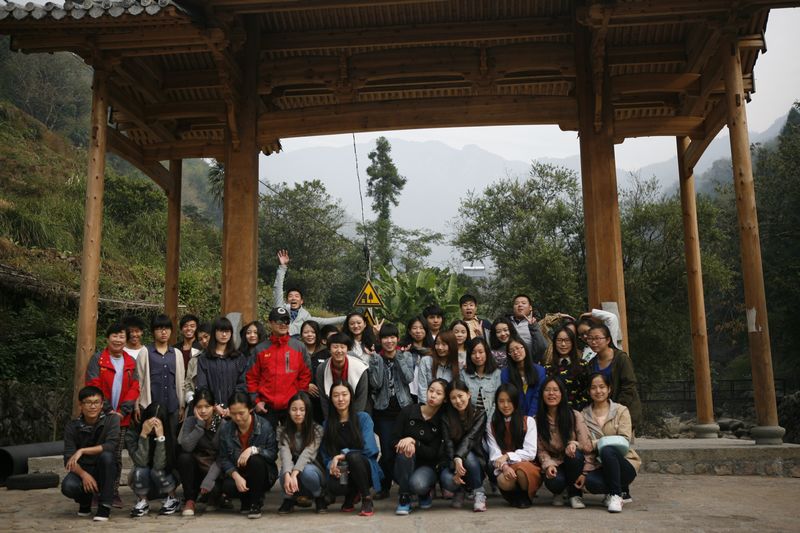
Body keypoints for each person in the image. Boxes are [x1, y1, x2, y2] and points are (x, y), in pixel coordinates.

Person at [84, 322, 140, 508]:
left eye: (121, 336)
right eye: (114, 336)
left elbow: (135, 387)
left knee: (116, 456)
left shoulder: (131, 361)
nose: (118, 339)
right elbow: (94, 385)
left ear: (126, 339)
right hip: (98, 416)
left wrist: (122, 411)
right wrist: (108, 410)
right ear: (107, 338)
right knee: (97, 455)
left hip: (121, 418)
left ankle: (112, 492)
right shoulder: (98, 359)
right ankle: (95, 492)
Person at [367, 322, 415, 498]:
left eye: (392, 337)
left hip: (404, 409)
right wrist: (375, 360)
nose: (389, 341)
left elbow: (408, 378)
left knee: (404, 450)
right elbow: (376, 383)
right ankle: (385, 487)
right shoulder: (376, 358)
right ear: (380, 340)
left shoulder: (406, 356)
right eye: (385, 338)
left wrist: (399, 358)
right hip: (383, 412)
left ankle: (405, 486)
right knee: (387, 452)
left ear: (397, 338)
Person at [321, 380, 382, 517]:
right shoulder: (327, 424)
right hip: (343, 469)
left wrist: (343, 455)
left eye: (344, 394)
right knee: (336, 486)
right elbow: (325, 455)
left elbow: (370, 449)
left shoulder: (363, 418)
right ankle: (351, 493)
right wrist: (332, 466)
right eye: (336, 395)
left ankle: (366, 498)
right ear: (331, 399)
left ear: (351, 396)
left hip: (364, 466)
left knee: (353, 457)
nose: (340, 399)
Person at [582, 372, 641, 513]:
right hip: (599, 465)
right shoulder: (584, 414)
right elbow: (584, 442)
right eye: (593, 388)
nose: (598, 391)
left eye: (602, 387)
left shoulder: (621, 411)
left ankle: (616, 495)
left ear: (609, 389)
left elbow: (624, 439)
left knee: (608, 450)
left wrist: (596, 444)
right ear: (589, 391)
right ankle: (615, 491)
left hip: (625, 463)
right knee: (591, 482)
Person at [246, 307, 312, 429]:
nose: (283, 324)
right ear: (270, 323)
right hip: (266, 407)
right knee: (266, 439)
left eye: (286, 321)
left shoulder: (299, 347)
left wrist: (300, 399)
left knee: (293, 439)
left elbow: (305, 375)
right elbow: (251, 378)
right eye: (279, 321)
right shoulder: (260, 349)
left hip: (292, 406)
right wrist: (256, 401)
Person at [61, 386, 120, 522]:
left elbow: (110, 445)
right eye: (88, 402)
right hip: (83, 468)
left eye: (96, 402)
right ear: (81, 405)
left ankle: (104, 507)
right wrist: (84, 475)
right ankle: (85, 502)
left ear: (102, 404)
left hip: (105, 468)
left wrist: (82, 450)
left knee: (107, 456)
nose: (92, 406)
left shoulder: (112, 420)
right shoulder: (72, 426)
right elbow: (69, 458)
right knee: (68, 486)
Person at [218, 391, 279, 519]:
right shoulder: (226, 429)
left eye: (241, 413)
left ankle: (255, 503)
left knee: (255, 460)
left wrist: (253, 449)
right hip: (239, 472)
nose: (237, 418)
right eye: (233, 413)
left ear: (250, 409)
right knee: (227, 486)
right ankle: (245, 500)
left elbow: (273, 454)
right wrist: (235, 476)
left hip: (263, 475)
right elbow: (223, 458)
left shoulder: (264, 426)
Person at [392, 378, 447, 515]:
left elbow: (433, 453)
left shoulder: (441, 421)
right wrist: (405, 443)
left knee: (418, 484)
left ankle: (424, 493)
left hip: (427, 467)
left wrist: (414, 442)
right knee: (406, 449)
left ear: (445, 399)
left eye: (438, 393)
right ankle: (404, 497)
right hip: (403, 465)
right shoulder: (408, 411)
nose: (433, 395)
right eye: (431, 391)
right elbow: (392, 440)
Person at [536, 377, 592, 509]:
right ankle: (559, 492)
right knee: (555, 482)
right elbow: (540, 449)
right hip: (555, 462)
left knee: (574, 454)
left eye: (555, 390)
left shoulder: (574, 415)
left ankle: (575, 494)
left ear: (562, 393)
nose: (551, 393)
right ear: (542, 394)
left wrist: (574, 444)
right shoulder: (537, 420)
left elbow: (587, 445)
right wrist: (548, 465)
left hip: (573, 462)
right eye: (547, 390)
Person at [485, 383, 542, 508]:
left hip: (527, 465)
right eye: (501, 401)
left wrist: (507, 456)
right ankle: (514, 497)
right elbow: (494, 453)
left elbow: (530, 452)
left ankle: (526, 496)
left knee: (521, 471)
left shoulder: (528, 421)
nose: (505, 405)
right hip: (505, 466)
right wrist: (505, 467)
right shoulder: (492, 425)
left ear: (516, 401)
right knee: (504, 480)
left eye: (509, 401)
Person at [273, 249, 346, 336]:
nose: (293, 298)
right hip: (278, 341)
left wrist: (349, 317)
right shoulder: (280, 309)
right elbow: (278, 288)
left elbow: (326, 321)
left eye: (297, 296)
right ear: (287, 300)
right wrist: (282, 267)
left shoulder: (306, 316)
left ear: (301, 301)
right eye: (290, 296)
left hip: (296, 343)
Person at [135, 314, 185, 441]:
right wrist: (136, 405)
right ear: (153, 331)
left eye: (166, 328)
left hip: (172, 406)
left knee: (171, 440)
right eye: (159, 329)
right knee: (151, 440)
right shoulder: (145, 352)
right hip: (151, 407)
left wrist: (182, 405)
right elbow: (138, 382)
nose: (163, 332)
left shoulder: (176, 353)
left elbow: (180, 382)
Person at [276, 391, 328, 514]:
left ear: (308, 411)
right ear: (289, 411)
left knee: (307, 471)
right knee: (284, 472)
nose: (298, 413)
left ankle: (319, 496)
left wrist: (294, 473)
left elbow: (307, 454)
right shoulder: (282, 431)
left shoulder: (317, 430)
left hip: (313, 474)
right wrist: (288, 474)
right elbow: (285, 454)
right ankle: (288, 498)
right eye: (294, 409)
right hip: (294, 480)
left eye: (302, 409)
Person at [439, 380, 487, 512]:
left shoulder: (479, 414)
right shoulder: (446, 417)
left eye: (460, 396)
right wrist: (455, 464)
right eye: (453, 398)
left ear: (468, 394)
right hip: (452, 462)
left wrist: (459, 457)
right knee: (446, 479)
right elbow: (448, 443)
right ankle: (460, 490)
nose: (458, 401)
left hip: (475, 462)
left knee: (468, 456)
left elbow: (470, 438)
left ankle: (479, 492)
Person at [126, 402, 180, 517]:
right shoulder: (133, 433)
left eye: (157, 423)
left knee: (157, 471)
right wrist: (143, 436)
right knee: (139, 470)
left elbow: (159, 465)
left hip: (165, 480)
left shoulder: (170, 435)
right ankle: (143, 501)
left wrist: (160, 438)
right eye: (150, 422)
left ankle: (172, 498)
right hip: (143, 482)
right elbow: (140, 461)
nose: (153, 427)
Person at [177, 388, 224, 516]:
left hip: (214, 469)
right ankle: (190, 500)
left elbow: (222, 457)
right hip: (196, 467)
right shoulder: (190, 422)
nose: (203, 411)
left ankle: (215, 498)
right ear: (194, 408)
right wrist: (199, 426)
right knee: (184, 458)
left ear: (214, 407)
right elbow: (186, 447)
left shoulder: (222, 424)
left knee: (217, 487)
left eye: (207, 406)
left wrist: (209, 479)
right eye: (199, 407)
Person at [586, 324, 643, 431]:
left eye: (597, 338)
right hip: (601, 414)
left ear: (608, 340)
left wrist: (615, 410)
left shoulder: (621, 359)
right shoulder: (591, 364)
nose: (593, 342)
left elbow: (629, 386)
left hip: (623, 411)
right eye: (590, 339)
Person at [195, 316, 249, 419]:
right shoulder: (204, 358)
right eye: (221, 331)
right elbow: (202, 386)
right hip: (211, 411)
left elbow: (242, 384)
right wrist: (214, 405)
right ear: (214, 333)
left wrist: (233, 405)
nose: (224, 334)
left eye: (227, 331)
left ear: (231, 333)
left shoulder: (238, 358)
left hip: (234, 411)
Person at [315, 332, 369, 419]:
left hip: (358, 411)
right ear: (329, 349)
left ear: (348, 349)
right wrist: (329, 420)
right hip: (333, 411)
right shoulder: (321, 369)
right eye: (335, 347)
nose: (339, 351)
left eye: (342, 347)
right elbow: (324, 400)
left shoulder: (360, 368)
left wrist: (353, 421)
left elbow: (361, 398)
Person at [544, 324, 590, 410]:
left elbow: (588, 391)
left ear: (573, 342)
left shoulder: (583, 365)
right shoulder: (548, 368)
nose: (563, 344)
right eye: (559, 340)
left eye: (567, 340)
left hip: (579, 412)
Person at [501, 338, 546, 417]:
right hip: (515, 416)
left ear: (525, 348)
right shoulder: (505, 374)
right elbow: (509, 397)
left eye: (518, 348)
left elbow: (538, 395)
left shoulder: (540, 371)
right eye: (511, 351)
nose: (515, 352)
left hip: (537, 415)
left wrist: (530, 417)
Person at [460, 337, 500, 418]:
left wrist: (489, 422)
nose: (477, 356)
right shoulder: (463, 374)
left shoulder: (497, 373)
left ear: (487, 353)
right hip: (470, 419)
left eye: (481, 352)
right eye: (473, 353)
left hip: (491, 418)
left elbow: (497, 401)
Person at [416, 330, 460, 403]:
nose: (439, 347)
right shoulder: (426, 361)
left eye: (444, 344)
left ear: (452, 346)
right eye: (437, 343)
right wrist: (427, 406)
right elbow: (422, 388)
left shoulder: (457, 366)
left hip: (447, 406)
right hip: (429, 405)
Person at [507, 294, 548, 363]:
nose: (520, 305)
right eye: (516, 303)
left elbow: (542, 346)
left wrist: (533, 326)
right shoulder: (506, 322)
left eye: (523, 303)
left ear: (530, 307)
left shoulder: (537, 324)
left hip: (529, 363)